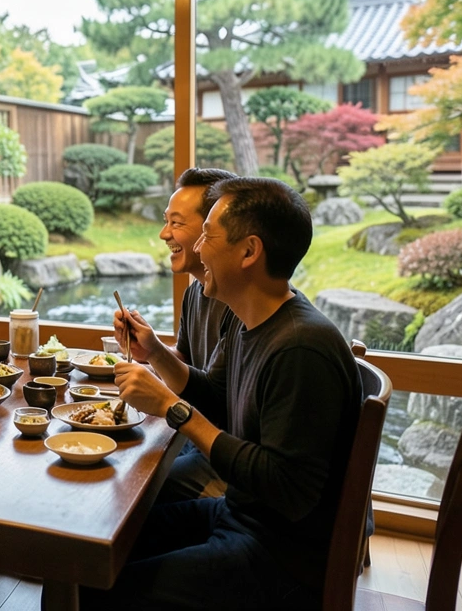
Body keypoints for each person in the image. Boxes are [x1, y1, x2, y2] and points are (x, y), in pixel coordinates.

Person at [87, 177, 362, 610]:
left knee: (90, 591)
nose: (197, 249)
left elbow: (287, 487)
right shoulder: (248, 321)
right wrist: (154, 354)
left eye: (207, 235)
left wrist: (171, 408)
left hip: (279, 556)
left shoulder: (300, 347)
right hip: (239, 515)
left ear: (249, 251)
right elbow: (216, 397)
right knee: (95, 544)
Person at [114, 167, 237, 501]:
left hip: (223, 453)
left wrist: (163, 391)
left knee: (133, 483)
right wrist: (151, 350)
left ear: (213, 229)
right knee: (127, 458)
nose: (163, 233)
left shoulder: (241, 303)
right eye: (166, 221)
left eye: (176, 223)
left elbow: (214, 400)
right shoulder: (196, 289)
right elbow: (188, 362)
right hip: (197, 435)